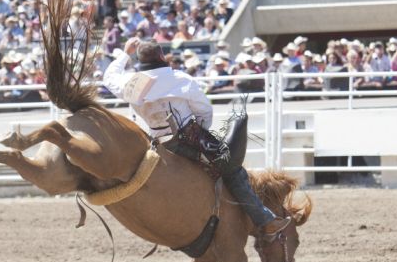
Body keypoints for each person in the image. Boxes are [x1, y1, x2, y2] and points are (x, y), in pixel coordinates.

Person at [102, 37, 286, 241]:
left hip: (155, 144)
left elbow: (110, 76)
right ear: (162, 56)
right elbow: (204, 111)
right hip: (187, 139)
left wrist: (124, 53)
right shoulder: (180, 79)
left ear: (139, 58)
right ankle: (265, 220)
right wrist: (201, 132)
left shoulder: (131, 83)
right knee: (233, 170)